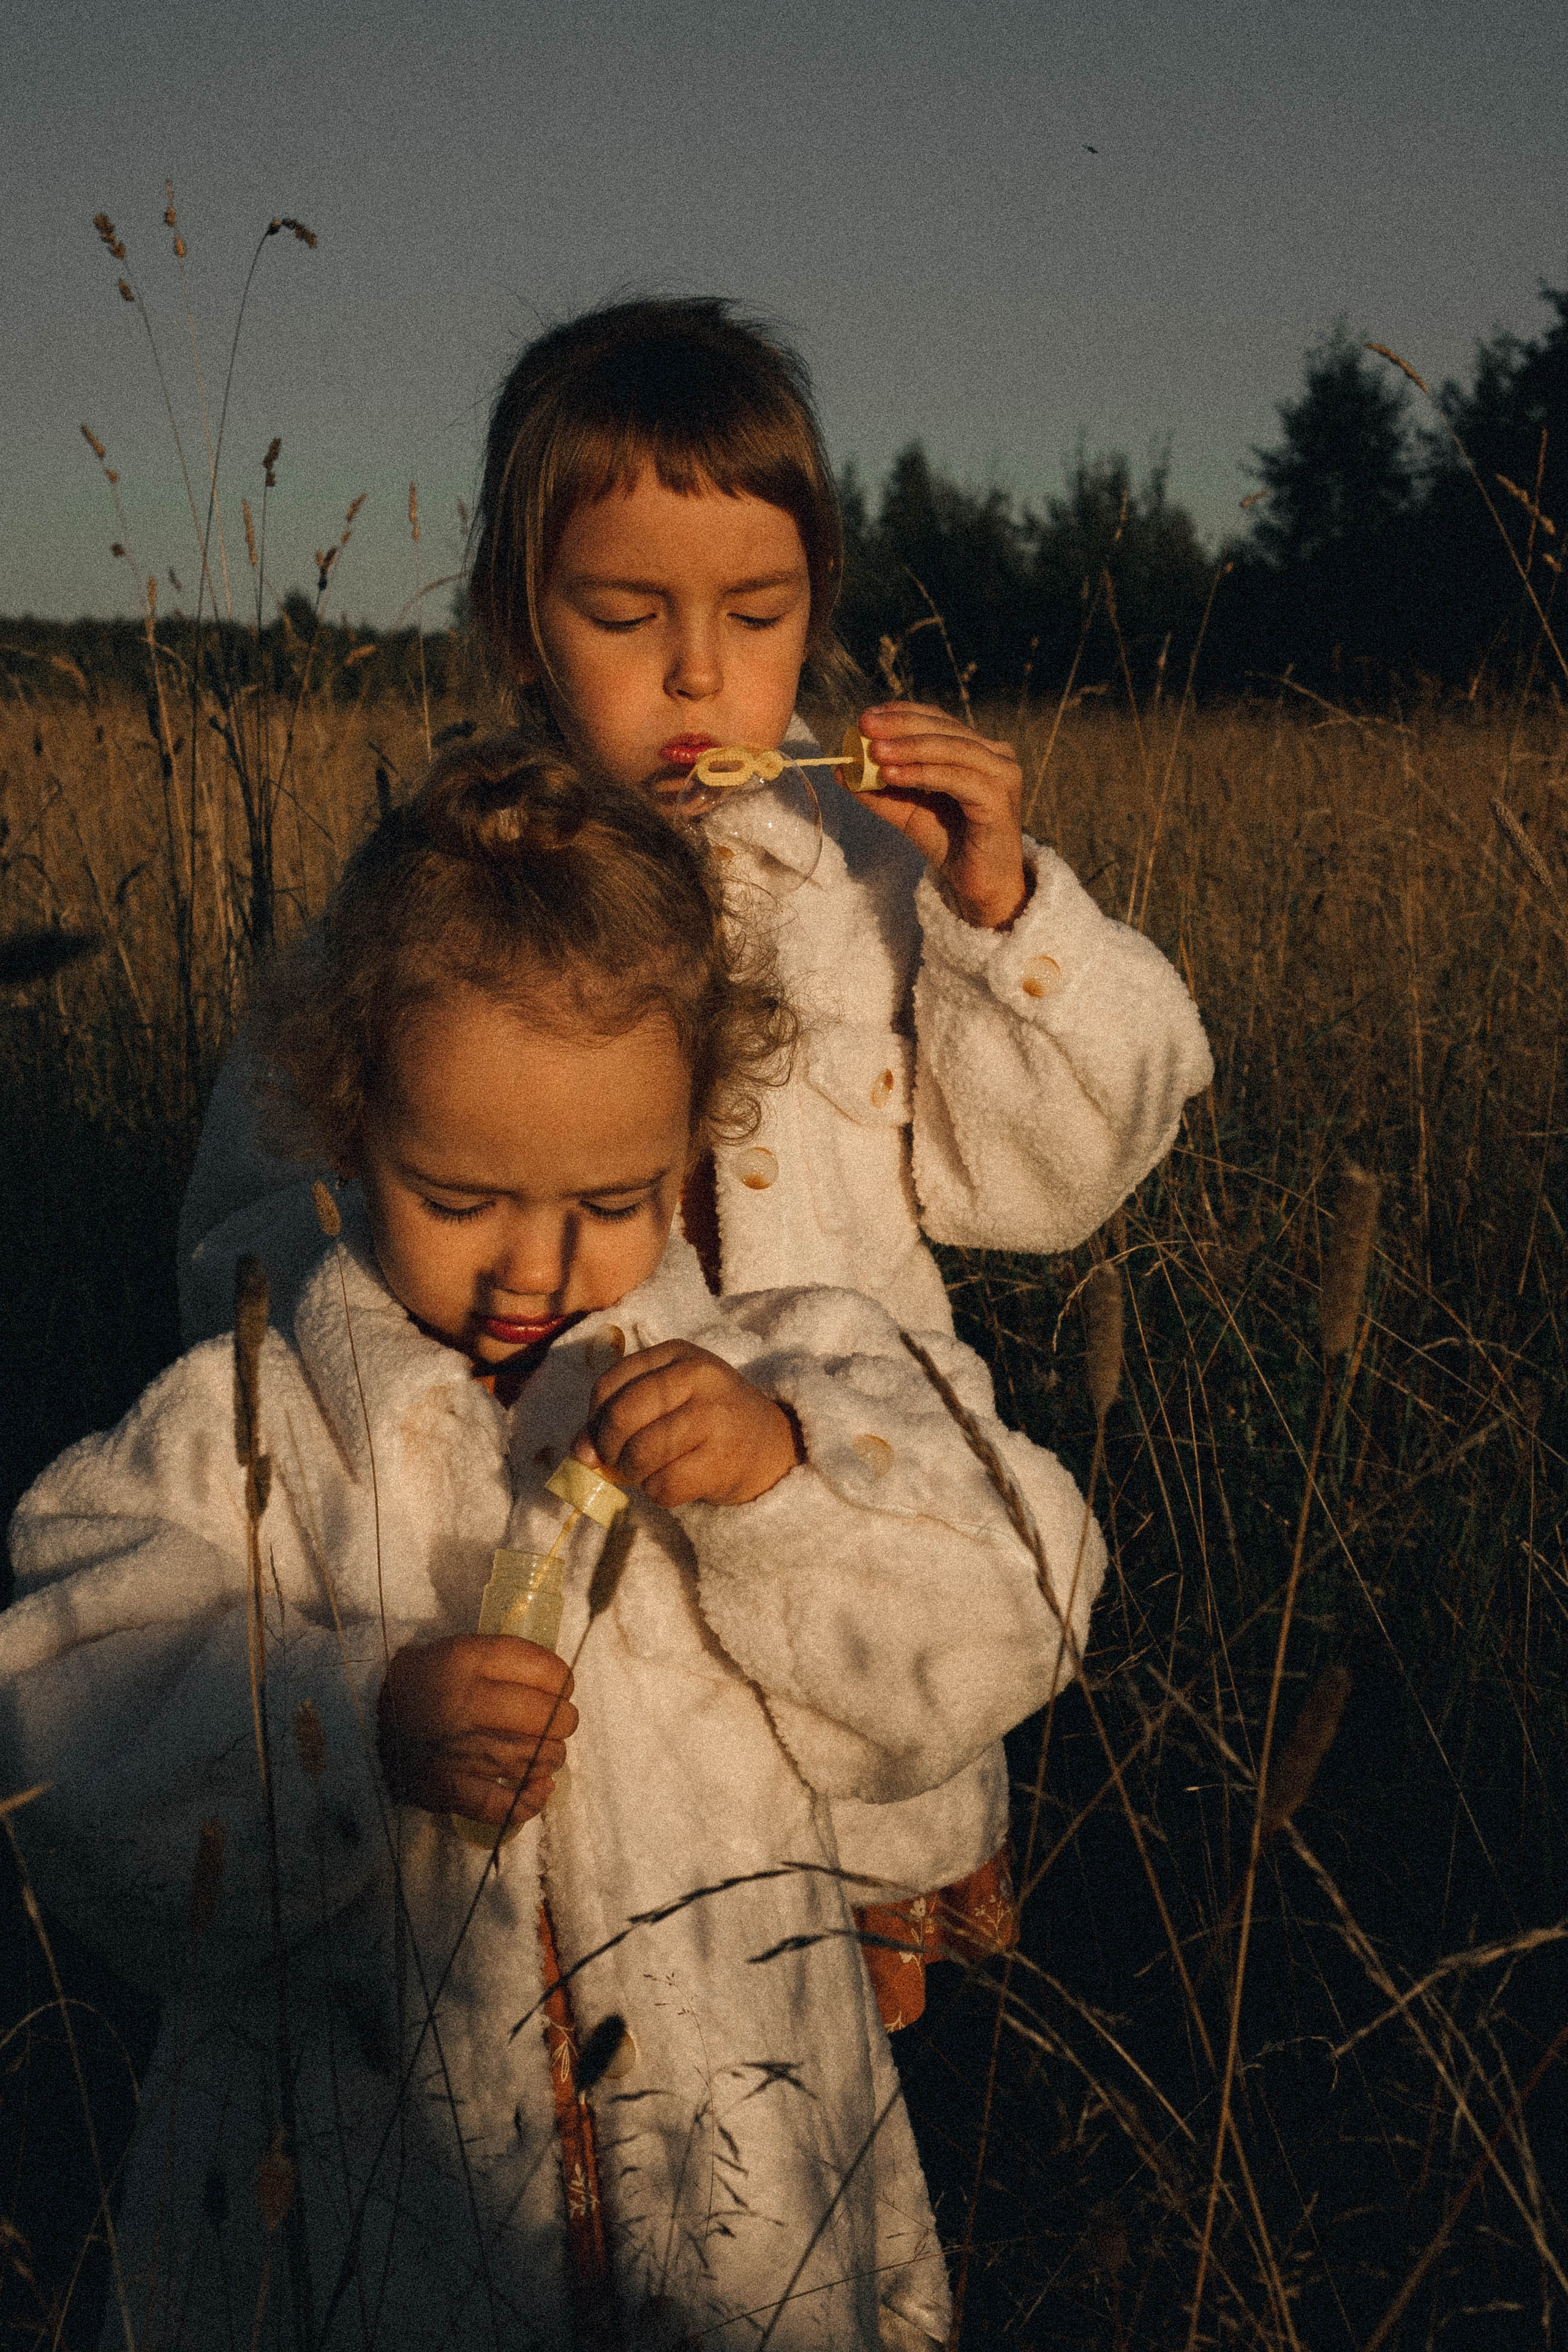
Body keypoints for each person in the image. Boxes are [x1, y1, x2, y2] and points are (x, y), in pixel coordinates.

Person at [175, 297, 1212, 2019]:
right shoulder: (429, 905)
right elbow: (242, 1241)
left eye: (757, 613)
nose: (698, 671)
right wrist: (435, 1320)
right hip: (547, 1609)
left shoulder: (872, 888)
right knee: (587, 2017)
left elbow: (1059, 1175)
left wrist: (1001, 912)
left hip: (842, 1568)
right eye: (624, 611)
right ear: (518, 613)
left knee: (817, 2095)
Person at [2, 744, 1106, 2351]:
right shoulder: (260, 1422)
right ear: (344, 1118)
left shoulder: (793, 1366)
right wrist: (347, 1721)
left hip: (747, 2207)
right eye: (459, 1197)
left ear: (698, 1134)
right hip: (364, 2239)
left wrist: (789, 1474)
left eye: (613, 1199)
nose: (537, 1265)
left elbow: (1029, 1590)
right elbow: (58, 1714)